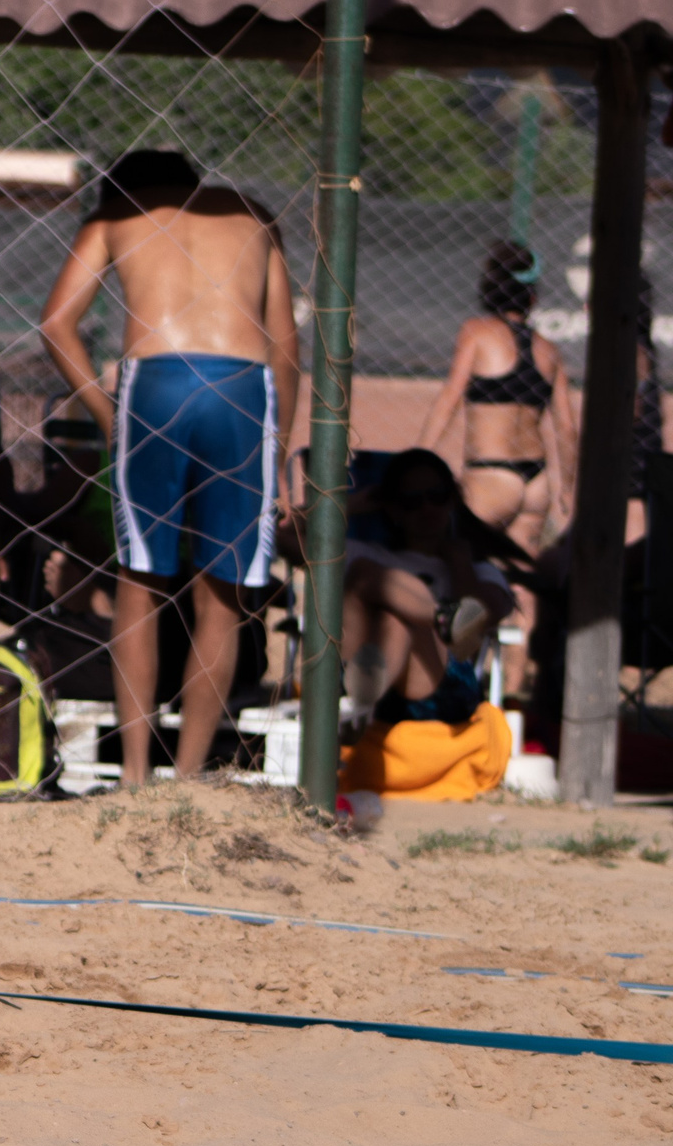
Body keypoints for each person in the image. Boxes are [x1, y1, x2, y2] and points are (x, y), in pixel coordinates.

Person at [40, 149, 301, 789]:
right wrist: (280, 446)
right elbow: (285, 347)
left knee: (140, 585)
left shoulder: (113, 217)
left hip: (152, 384)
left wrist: (110, 418)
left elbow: (56, 324)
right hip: (241, 386)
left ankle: (133, 774)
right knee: (224, 597)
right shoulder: (253, 216)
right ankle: (187, 776)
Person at [416, 242, 577, 551]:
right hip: (537, 480)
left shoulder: (477, 332)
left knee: (456, 558)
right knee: (523, 579)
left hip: (491, 474)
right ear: (532, 296)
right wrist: (567, 488)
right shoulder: (549, 351)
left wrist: (420, 457)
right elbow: (567, 429)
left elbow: (450, 399)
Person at [342, 449, 520, 724]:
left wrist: (458, 562)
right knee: (367, 579)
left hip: (441, 691)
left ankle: (358, 713)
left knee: (397, 618)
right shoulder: (370, 555)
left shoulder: (477, 569)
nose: (427, 508)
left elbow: (488, 615)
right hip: (364, 674)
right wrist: (350, 505)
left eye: (437, 497)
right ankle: (444, 615)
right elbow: (284, 534)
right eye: (411, 501)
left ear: (453, 500)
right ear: (391, 507)